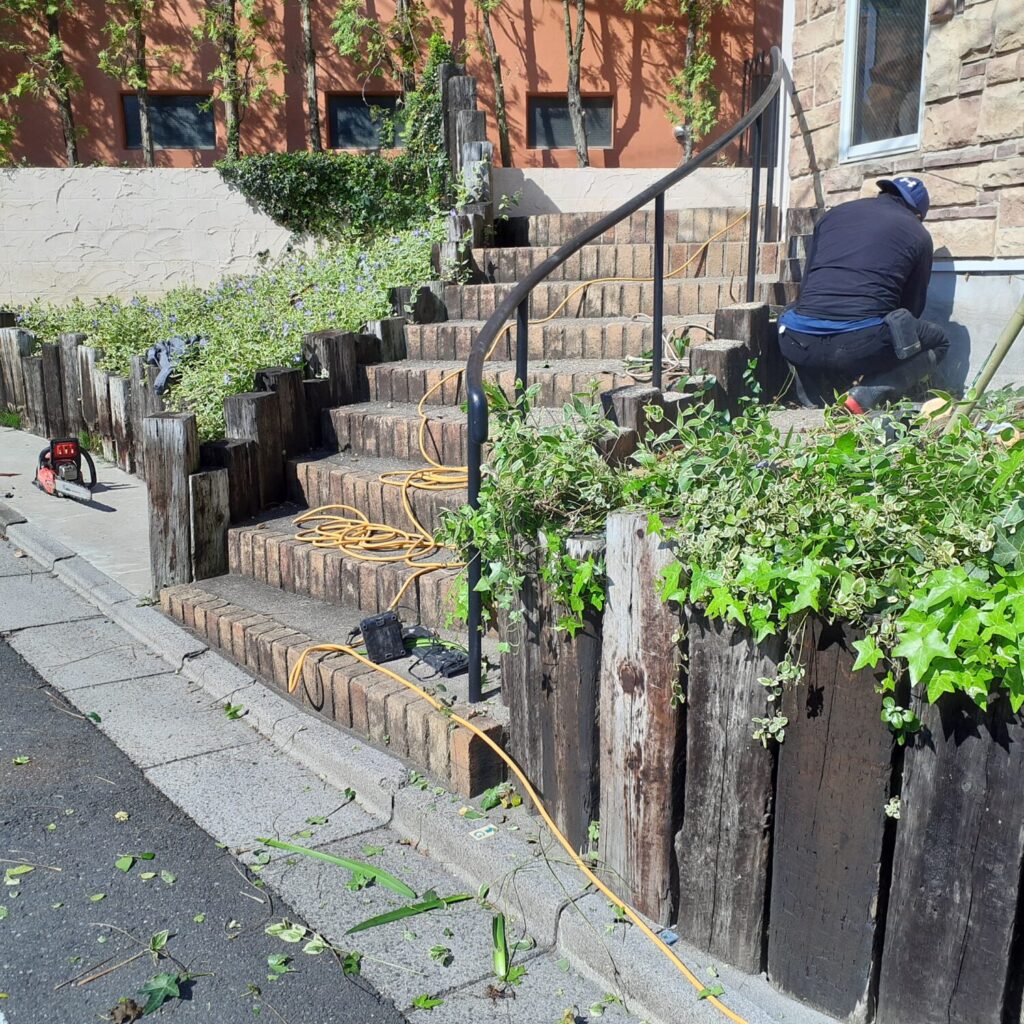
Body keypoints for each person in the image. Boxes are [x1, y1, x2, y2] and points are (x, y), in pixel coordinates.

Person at [778, 176, 950, 413]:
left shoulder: (832, 216)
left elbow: (807, 285)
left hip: (796, 342)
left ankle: (813, 396)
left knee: (793, 313)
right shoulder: (918, 233)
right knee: (939, 340)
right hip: (859, 347)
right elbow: (912, 308)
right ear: (918, 214)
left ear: (884, 193)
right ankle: (867, 394)